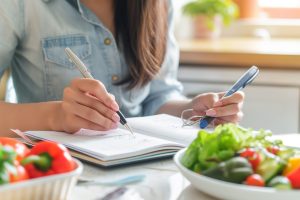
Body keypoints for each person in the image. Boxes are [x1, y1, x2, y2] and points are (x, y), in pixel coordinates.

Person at [0, 0, 244, 136]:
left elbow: (156, 96)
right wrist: (57, 116)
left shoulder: (158, 5)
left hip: (142, 171)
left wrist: (191, 109)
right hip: (57, 174)